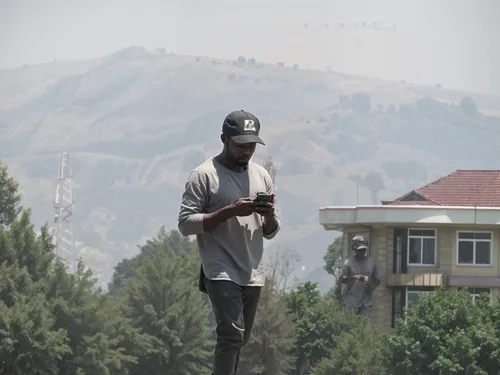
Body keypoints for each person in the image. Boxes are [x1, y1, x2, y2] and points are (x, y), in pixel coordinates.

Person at [178, 109, 281, 375]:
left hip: (252, 269)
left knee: (240, 338)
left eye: (251, 146)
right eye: (240, 145)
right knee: (231, 334)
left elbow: (270, 230)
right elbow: (186, 224)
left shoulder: (262, 175)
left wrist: (268, 216)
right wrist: (230, 211)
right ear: (224, 139)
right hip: (220, 267)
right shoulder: (204, 175)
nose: (246, 151)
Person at [340, 235, 381, 316]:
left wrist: (371, 287)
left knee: (363, 326)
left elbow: (378, 279)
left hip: (365, 303)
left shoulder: (371, 262)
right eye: (360, 250)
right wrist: (353, 277)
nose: (362, 252)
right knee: (351, 325)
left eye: (364, 249)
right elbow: (342, 279)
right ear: (354, 249)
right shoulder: (348, 263)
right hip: (350, 302)